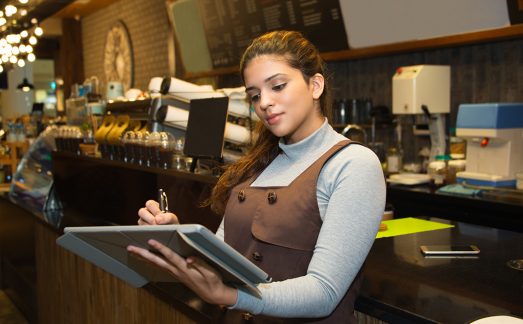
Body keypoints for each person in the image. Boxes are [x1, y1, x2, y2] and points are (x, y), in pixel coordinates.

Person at [128, 30, 385, 323]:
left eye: (277, 86)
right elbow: (223, 261)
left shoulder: (353, 165)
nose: (264, 102)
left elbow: (323, 292)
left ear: (315, 85)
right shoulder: (255, 164)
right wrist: (178, 238)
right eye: (255, 95)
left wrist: (234, 297)